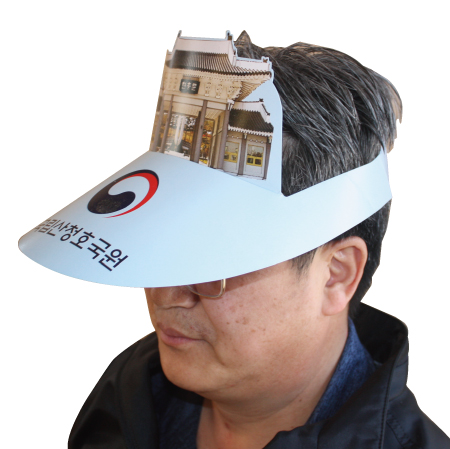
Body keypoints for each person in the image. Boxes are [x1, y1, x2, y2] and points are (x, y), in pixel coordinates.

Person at [22, 31, 449, 448]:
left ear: (336, 274)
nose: (165, 295)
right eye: (162, 245)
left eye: (213, 262)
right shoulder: (127, 399)